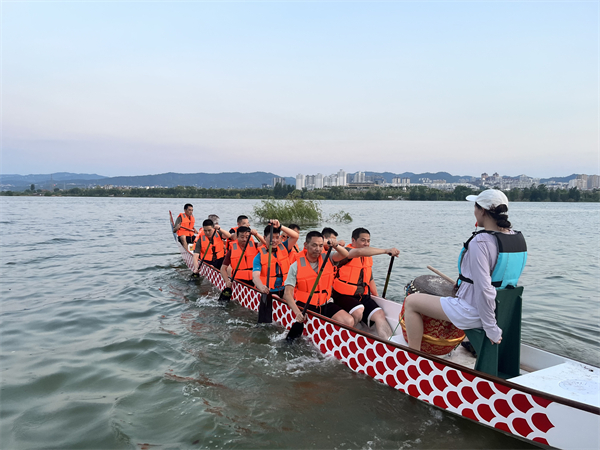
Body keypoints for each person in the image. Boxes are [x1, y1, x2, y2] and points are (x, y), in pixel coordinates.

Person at [403, 189, 527, 351]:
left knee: (411, 302)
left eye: (475, 207)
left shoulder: (481, 242)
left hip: (475, 311)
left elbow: (484, 288)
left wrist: (490, 327)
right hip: (503, 309)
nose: (474, 212)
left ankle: (413, 356)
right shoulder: (516, 238)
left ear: (482, 211)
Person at [331, 227, 400, 340]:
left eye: (368, 241)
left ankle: (390, 343)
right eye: (363, 240)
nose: (366, 244)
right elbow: (359, 252)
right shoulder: (345, 252)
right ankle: (348, 339)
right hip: (342, 295)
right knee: (358, 311)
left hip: (362, 296)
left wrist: (377, 296)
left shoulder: (367, 257)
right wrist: (386, 251)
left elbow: (370, 279)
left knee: (380, 315)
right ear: (353, 240)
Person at [282, 231, 355, 327]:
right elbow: (287, 294)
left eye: (321, 246)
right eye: (314, 245)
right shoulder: (295, 266)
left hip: (325, 302)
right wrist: (297, 312)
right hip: (305, 304)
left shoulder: (328, 257)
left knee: (349, 321)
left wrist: (336, 245)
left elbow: (345, 254)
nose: (318, 249)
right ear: (306, 245)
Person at [252, 220, 299, 297]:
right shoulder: (258, 257)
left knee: (292, 295)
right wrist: (262, 287)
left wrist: (280, 226)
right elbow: (255, 277)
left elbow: (295, 236)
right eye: (271, 238)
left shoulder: (285, 247)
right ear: (264, 238)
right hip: (269, 291)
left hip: (285, 288)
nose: (274, 240)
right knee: (275, 297)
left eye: (277, 237)